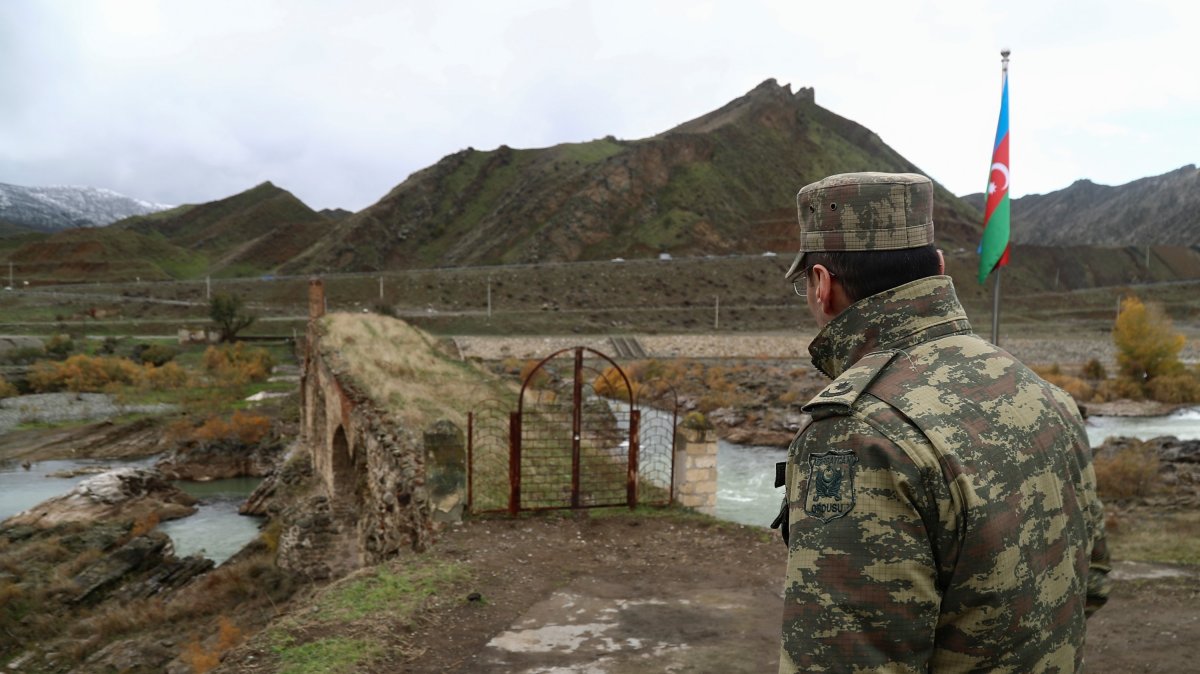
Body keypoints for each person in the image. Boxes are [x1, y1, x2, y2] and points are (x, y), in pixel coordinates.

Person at [772, 172, 1109, 672]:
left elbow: (846, 661)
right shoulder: (1040, 392)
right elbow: (1092, 580)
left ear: (822, 285)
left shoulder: (859, 435)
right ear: (939, 267)